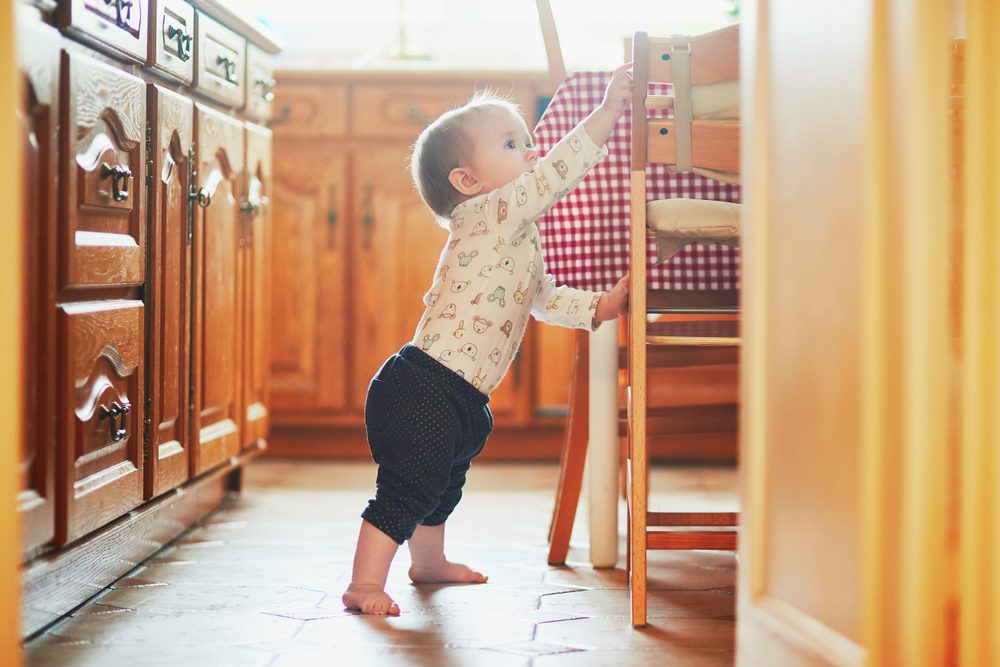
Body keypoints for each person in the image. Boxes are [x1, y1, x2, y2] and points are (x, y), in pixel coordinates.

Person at [342, 64, 633, 616]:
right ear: (466, 182)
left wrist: (598, 306)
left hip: (458, 393)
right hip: (423, 385)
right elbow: (552, 178)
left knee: (441, 487)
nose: (529, 153)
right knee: (407, 488)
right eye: (512, 144)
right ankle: (363, 583)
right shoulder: (486, 214)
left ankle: (428, 562)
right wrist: (607, 114)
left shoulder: (517, 234)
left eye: (528, 143)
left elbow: (543, 298)